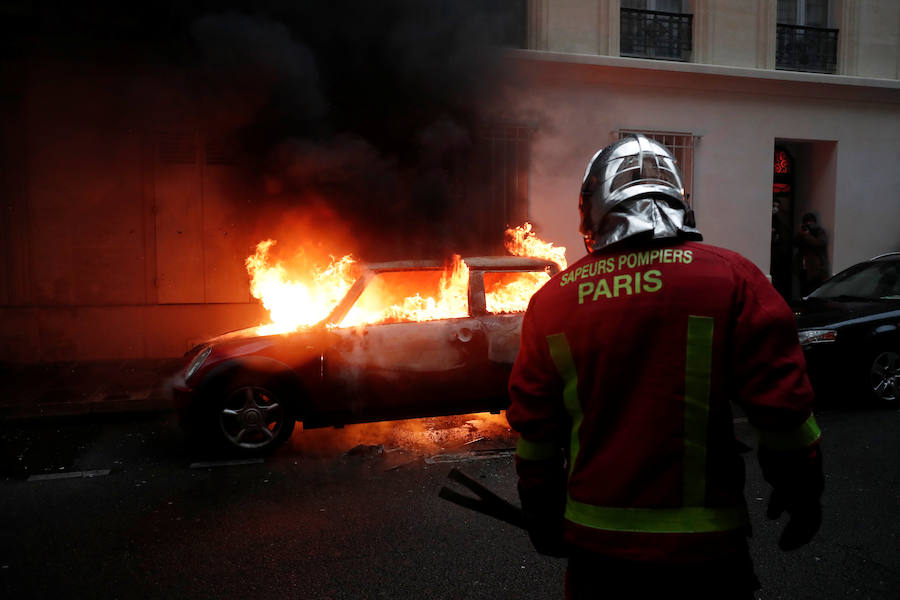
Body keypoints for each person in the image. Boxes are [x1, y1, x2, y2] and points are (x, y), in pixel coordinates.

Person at [507, 135, 824, 599]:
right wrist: (803, 485)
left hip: (597, 549)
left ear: (592, 208)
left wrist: (540, 511)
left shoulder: (552, 300)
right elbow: (782, 408)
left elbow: (536, 433)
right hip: (706, 552)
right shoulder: (732, 277)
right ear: (678, 197)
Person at [795, 212, 828, 296]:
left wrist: (807, 236)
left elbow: (819, 243)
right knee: (803, 291)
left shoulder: (819, 231)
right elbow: (795, 244)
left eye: (810, 222)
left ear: (814, 222)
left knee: (813, 292)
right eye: (806, 222)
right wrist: (800, 234)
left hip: (815, 269)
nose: (808, 224)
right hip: (803, 268)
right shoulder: (803, 232)